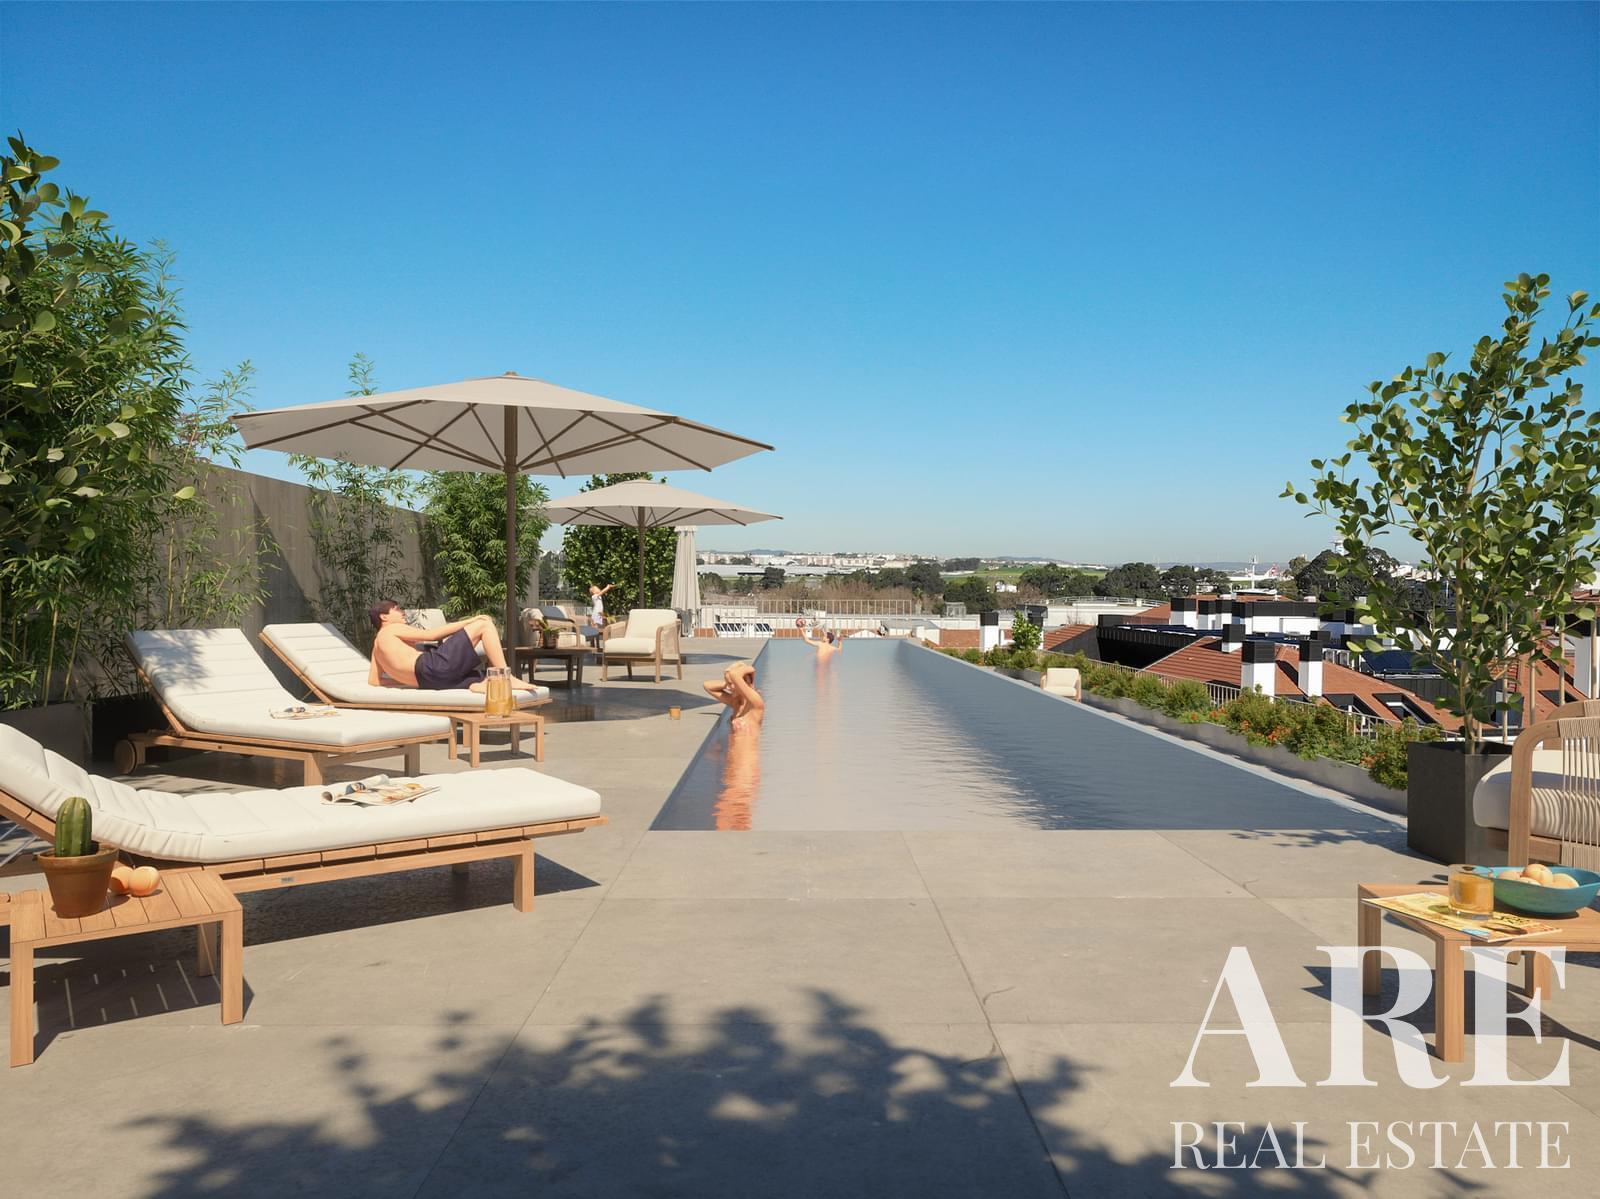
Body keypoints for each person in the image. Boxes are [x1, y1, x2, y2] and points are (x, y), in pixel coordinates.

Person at [367, 601, 538, 693]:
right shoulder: (390, 629)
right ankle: (505, 677)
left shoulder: (376, 648)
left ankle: (479, 684)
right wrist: (472, 620)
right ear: (384, 617)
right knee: (484, 624)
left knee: (484, 676)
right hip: (433, 667)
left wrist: (404, 680)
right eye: (397, 609)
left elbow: (374, 681)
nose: (403, 612)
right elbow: (432, 635)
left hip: (429, 681)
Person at [703, 660, 764, 733]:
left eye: (732, 683)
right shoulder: (735, 702)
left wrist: (750, 670)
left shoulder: (753, 703)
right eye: (728, 683)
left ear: (745, 682)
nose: (729, 688)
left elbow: (735, 674)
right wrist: (728, 685)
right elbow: (707, 686)